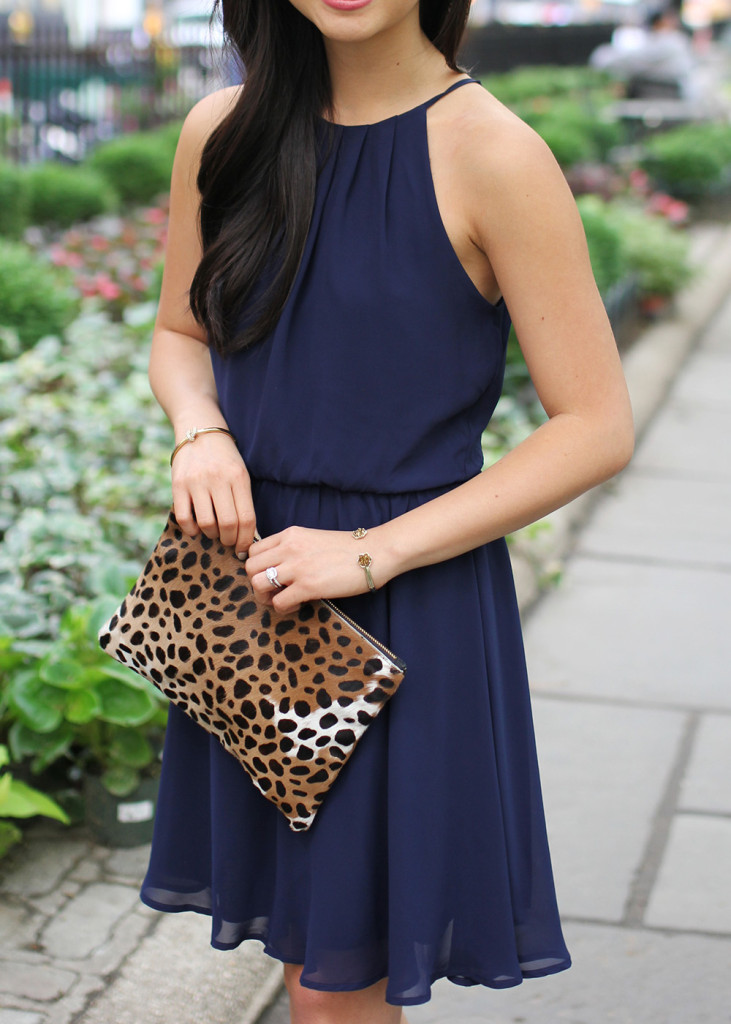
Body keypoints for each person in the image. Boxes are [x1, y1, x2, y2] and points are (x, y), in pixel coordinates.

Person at [140, 1, 634, 1021]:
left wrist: (370, 553)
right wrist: (201, 429)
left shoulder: (492, 152)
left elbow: (593, 423)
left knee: (334, 986)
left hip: (399, 598)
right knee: (302, 945)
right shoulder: (221, 131)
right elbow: (179, 332)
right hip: (248, 589)